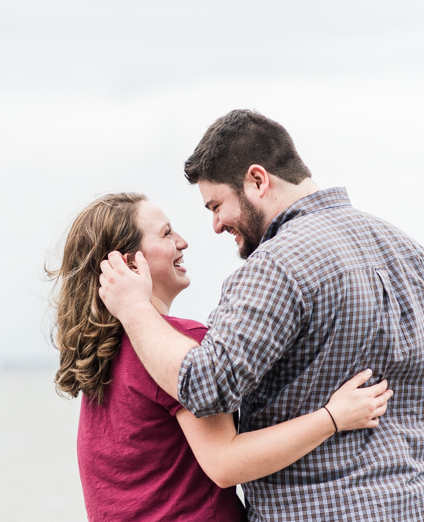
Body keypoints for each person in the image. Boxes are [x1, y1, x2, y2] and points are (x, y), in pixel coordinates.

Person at [98, 110, 424, 521]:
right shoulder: (408, 251)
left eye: (217, 205)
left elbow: (205, 387)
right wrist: (395, 470)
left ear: (258, 180)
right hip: (417, 508)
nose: (216, 225)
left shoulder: (277, 266)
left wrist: (134, 310)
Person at [50, 192, 393, 522]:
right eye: (166, 233)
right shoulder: (177, 343)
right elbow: (225, 462)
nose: (182, 241)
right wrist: (334, 417)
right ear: (127, 264)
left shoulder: (105, 352)